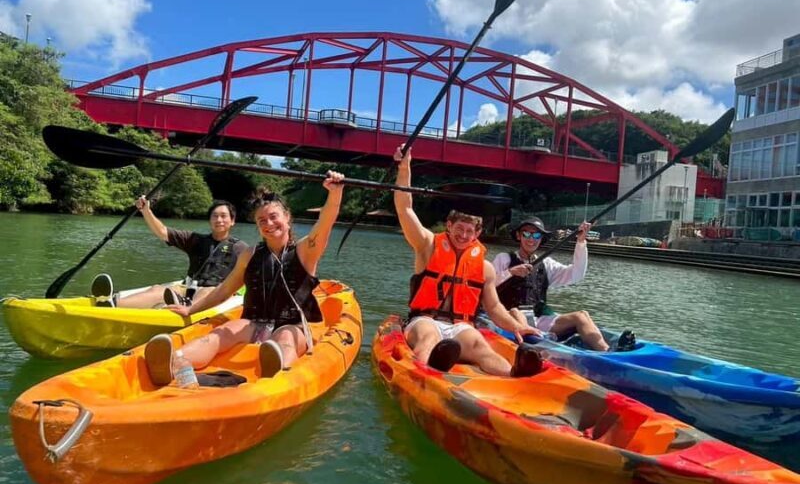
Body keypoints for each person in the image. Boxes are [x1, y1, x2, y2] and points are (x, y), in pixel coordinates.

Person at [143, 171, 345, 385]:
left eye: (274, 217)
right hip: (255, 322)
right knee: (221, 333)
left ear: (287, 218)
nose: (268, 223)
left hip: (292, 325)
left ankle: (278, 377)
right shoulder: (249, 254)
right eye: (262, 220)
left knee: (284, 341)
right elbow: (224, 290)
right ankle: (177, 362)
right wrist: (190, 310)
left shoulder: (306, 250)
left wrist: (335, 194)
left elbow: (326, 222)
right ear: (257, 226)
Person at [393, 147, 541, 377]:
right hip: (423, 320)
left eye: (469, 231)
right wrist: (404, 167)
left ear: (477, 233)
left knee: (480, 346)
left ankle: (514, 374)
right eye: (459, 229)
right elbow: (405, 209)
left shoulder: (485, 268)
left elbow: (493, 308)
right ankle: (426, 373)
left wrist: (516, 326)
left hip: (461, 327)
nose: (463, 235)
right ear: (449, 226)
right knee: (429, 336)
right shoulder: (427, 246)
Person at [492, 216, 635, 352]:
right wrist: (511, 272)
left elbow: (576, 274)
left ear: (541, 239)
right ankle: (537, 344)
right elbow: (487, 285)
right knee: (517, 313)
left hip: (538, 318)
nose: (531, 239)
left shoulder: (546, 264)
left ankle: (607, 352)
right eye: (526, 234)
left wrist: (580, 242)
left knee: (581, 315)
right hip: (509, 316)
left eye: (536, 236)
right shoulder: (504, 259)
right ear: (518, 236)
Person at [91, 198, 248, 308]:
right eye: (215, 216)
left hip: (215, 295)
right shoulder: (195, 239)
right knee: (157, 289)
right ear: (209, 220)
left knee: (209, 290)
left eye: (223, 216)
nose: (219, 220)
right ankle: (110, 303)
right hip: (189, 289)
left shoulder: (241, 248)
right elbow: (163, 232)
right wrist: (146, 210)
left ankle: (186, 307)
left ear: (232, 221)